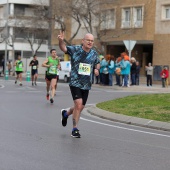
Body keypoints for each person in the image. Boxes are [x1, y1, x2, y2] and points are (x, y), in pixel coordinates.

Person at [58, 31, 100, 138]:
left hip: (86, 84)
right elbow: (63, 48)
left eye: (92, 41)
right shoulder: (75, 49)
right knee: (78, 104)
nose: (90, 42)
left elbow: (97, 63)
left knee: (80, 107)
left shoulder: (94, 53)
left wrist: (96, 69)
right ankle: (74, 129)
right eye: (88, 40)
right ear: (83, 41)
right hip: (75, 82)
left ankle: (65, 114)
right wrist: (61, 41)